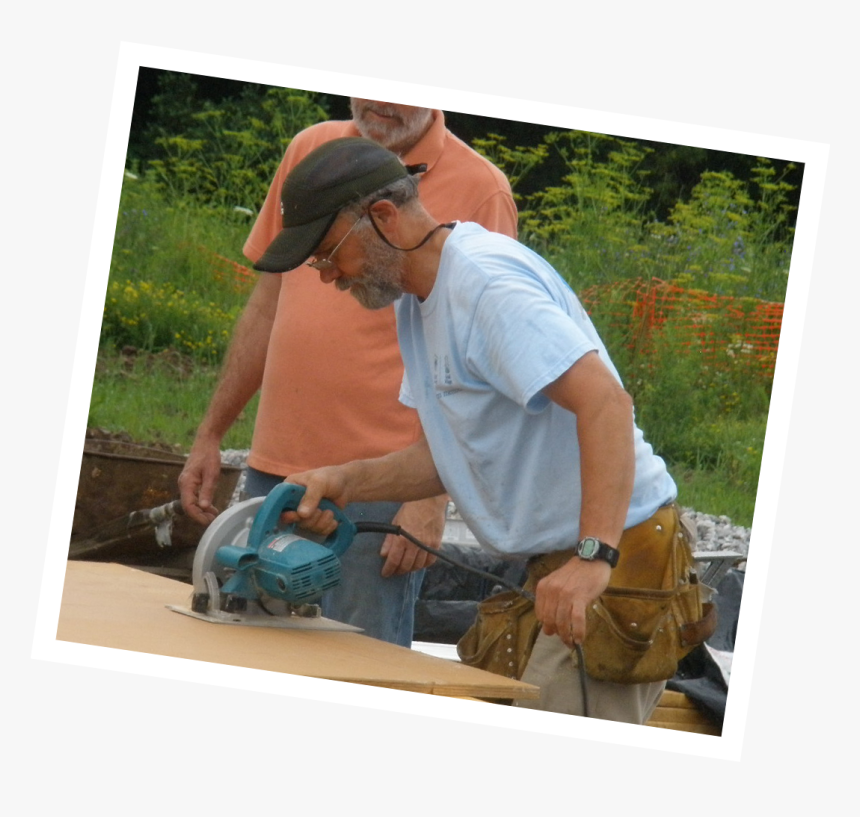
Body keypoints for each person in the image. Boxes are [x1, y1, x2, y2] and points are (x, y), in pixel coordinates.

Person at [256, 136, 702, 723]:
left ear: (383, 218)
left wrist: (594, 557)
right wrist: (345, 480)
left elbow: (606, 405)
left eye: (326, 253)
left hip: (618, 562)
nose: (326, 275)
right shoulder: (417, 300)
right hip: (560, 563)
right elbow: (451, 455)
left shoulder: (487, 287)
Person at [178, 100, 518, 647]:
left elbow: (475, 357)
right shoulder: (313, 153)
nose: (380, 101)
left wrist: (430, 498)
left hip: (382, 486)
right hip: (279, 469)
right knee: (253, 648)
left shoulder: (483, 188)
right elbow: (267, 303)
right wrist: (211, 432)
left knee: (361, 663)